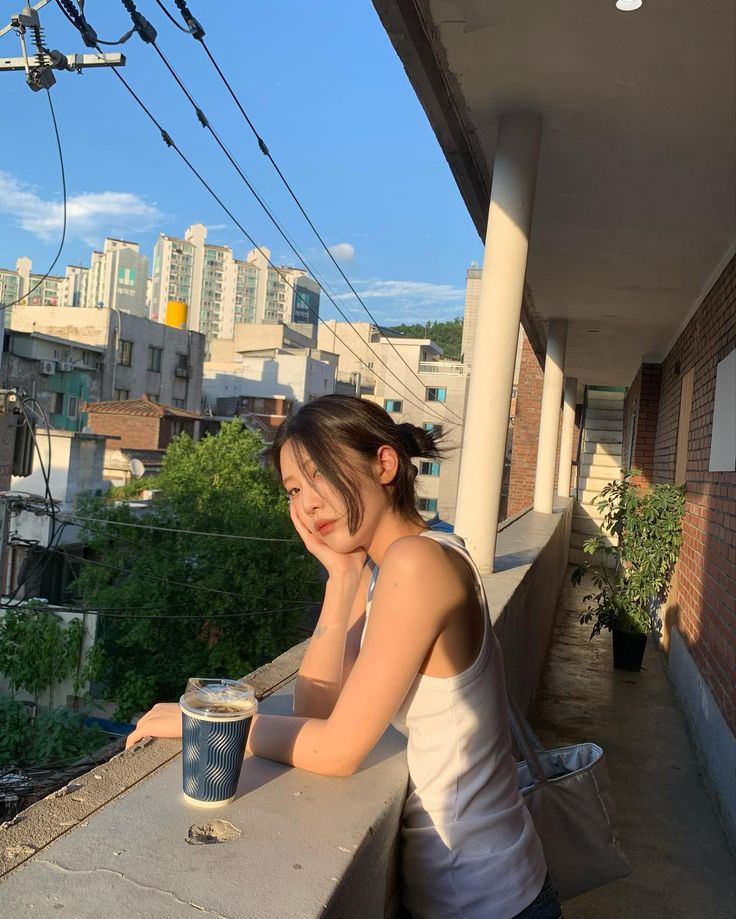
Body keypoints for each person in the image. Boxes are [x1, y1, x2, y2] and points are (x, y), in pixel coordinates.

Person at [125, 394, 562, 919]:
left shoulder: (418, 563)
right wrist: (342, 576)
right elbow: (319, 706)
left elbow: (336, 751)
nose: (306, 503)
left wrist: (213, 725)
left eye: (319, 475)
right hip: (472, 887)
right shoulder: (394, 565)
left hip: (489, 898)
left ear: (384, 464)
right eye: (292, 489)